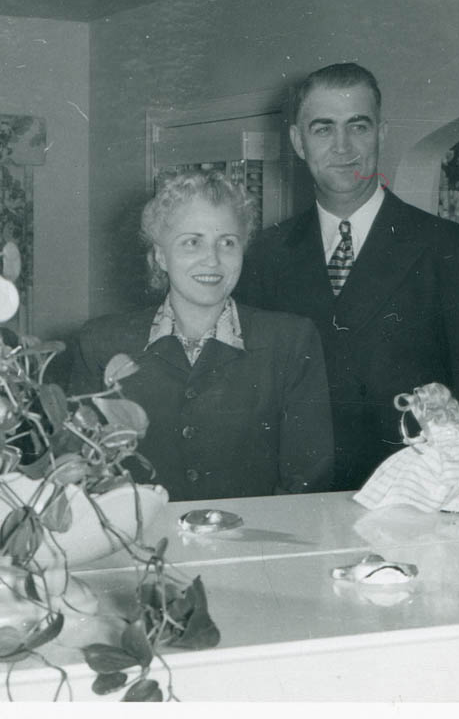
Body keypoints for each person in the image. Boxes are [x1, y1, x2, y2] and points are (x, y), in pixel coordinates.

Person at [235, 63, 459, 491]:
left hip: (414, 497)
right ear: (298, 142)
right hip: (297, 498)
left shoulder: (451, 249)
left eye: (358, 126)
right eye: (323, 129)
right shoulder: (264, 255)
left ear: (381, 132)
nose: (342, 147)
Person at [68, 170, 334, 501]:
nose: (213, 259)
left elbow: (307, 478)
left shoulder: (290, 341)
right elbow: (82, 472)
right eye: (192, 242)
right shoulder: (100, 343)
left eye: (227, 242)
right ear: (160, 255)